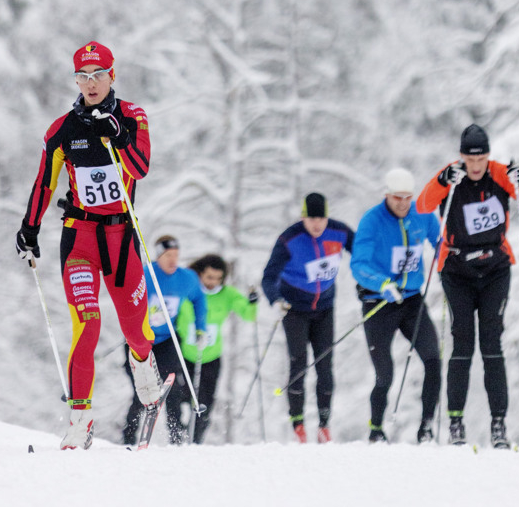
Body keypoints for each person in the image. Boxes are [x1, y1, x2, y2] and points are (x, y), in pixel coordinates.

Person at [15, 41, 161, 450]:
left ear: (112, 76)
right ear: (76, 80)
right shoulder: (62, 129)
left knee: (136, 330)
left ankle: (143, 364)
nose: (91, 83)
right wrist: (29, 228)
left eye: (98, 75)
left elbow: (141, 168)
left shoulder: (133, 116)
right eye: (83, 76)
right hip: (80, 237)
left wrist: (116, 136)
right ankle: (80, 418)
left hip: (121, 238)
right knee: (88, 321)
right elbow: (45, 181)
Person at [416, 124, 519, 448]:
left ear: (488, 156)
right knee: (462, 343)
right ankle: (455, 422)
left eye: (481, 159)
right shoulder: (452, 175)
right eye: (470, 160)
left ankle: (498, 423)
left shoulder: (500, 174)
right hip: (457, 270)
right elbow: (423, 205)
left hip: (495, 268)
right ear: (461, 158)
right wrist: (442, 181)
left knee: (491, 342)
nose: (475, 166)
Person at [350, 168, 443, 444]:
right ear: (386, 195)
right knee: (384, 374)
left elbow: (441, 244)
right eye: (397, 198)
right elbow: (359, 264)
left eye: (407, 198)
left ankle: (426, 428)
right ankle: (376, 428)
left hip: (412, 301)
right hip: (379, 302)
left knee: (433, 361)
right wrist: (381, 284)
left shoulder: (422, 213)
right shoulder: (372, 220)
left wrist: (447, 265)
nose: (403, 203)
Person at [261, 193, 355, 443]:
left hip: (325, 307)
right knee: (298, 362)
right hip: (294, 308)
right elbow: (268, 277)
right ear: (303, 217)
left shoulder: (339, 232)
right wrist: (276, 299)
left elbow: (361, 254)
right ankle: (298, 424)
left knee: (325, 365)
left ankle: (324, 425)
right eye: (311, 218)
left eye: (321, 218)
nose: (316, 224)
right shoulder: (289, 239)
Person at [121, 236, 207, 445]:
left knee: (172, 388)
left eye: (176, 256)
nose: (173, 261)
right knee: (142, 390)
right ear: (158, 256)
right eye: (168, 256)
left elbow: (199, 299)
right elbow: (125, 299)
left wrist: (200, 329)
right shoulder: (145, 274)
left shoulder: (186, 278)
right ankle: (130, 437)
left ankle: (176, 435)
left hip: (168, 339)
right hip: (140, 339)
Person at [173, 253, 258, 444]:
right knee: (179, 398)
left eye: (218, 278)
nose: (213, 282)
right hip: (184, 355)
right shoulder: (188, 288)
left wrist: (252, 302)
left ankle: (195, 442)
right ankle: (176, 437)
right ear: (200, 274)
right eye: (209, 277)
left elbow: (248, 314)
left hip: (211, 358)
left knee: (204, 405)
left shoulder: (227, 294)